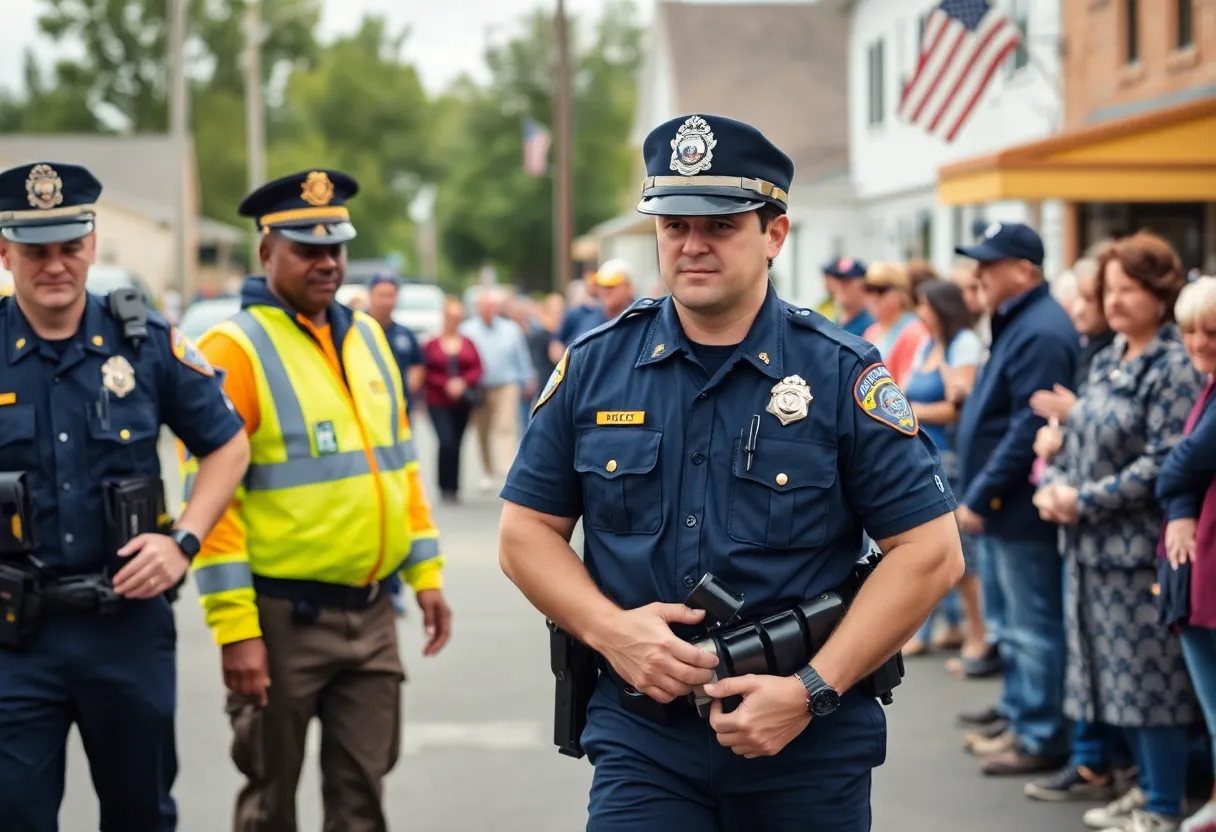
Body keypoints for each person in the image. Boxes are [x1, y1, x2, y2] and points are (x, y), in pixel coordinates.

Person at [497, 113, 964, 830]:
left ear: (774, 235)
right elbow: (524, 532)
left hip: (806, 745)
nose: (693, 245)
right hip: (644, 740)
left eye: (720, 225)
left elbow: (930, 552)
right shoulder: (596, 366)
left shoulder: (839, 372)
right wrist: (611, 631)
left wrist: (811, 689)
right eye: (675, 225)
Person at [182, 169, 453, 832]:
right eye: (307, 248)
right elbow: (213, 509)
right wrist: (236, 631)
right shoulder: (232, 350)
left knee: (362, 802)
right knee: (270, 804)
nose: (328, 262)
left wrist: (426, 575)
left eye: (336, 247)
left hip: (373, 612)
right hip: (281, 622)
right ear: (266, 252)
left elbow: (400, 468)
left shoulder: (368, 338)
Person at [0, 161, 250, 830]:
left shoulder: (144, 341)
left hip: (127, 629)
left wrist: (183, 542)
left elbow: (228, 445)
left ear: (91, 244)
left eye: (69, 246)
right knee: (14, 814)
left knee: (141, 814)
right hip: (15, 637)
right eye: (35, 251)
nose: (55, 265)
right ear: (5, 253)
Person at [1035, 232, 1200, 832]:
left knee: (1151, 685)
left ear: (1161, 293)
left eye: (1130, 288)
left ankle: (1163, 804)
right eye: (1109, 289)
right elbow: (1079, 441)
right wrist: (1055, 481)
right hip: (1088, 550)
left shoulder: (1174, 364)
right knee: (1112, 682)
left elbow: (1165, 461)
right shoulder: (1108, 358)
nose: (1115, 300)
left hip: (1138, 551)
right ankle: (1143, 788)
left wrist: (1083, 500)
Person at [952, 222, 1079, 776]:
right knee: (1013, 623)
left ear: (1025, 270)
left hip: (1022, 506)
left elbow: (1028, 427)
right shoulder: (1019, 321)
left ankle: (1039, 734)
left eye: (990, 263)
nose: (978, 273)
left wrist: (981, 495)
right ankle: (1020, 714)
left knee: (1032, 627)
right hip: (1008, 506)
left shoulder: (1040, 329)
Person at [1157, 276, 1216, 832]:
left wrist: (1174, 491)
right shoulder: (1207, 387)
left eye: (1212, 333)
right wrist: (1179, 506)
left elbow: (1182, 462)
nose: (1198, 343)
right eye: (1190, 331)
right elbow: (1185, 470)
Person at [902, 279, 984, 659]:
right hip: (920, 454)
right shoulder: (928, 344)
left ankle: (977, 633)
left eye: (925, 305)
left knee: (961, 551)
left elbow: (958, 405)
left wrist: (913, 411)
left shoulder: (962, 343)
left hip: (949, 457)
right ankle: (935, 626)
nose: (920, 313)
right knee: (924, 548)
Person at [422, 295, 484, 502]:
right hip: (438, 400)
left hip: (462, 401)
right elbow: (426, 370)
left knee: (457, 442)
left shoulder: (468, 343)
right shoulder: (431, 344)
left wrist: (463, 382)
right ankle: (444, 485)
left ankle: (454, 486)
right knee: (446, 440)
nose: (454, 321)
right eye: (451, 316)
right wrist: (445, 383)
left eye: (458, 317)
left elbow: (478, 367)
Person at [860, 261, 929, 387]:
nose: (873, 297)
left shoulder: (914, 331)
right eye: (868, 289)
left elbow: (906, 386)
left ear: (901, 293)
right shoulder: (871, 331)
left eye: (881, 290)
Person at [822, 257, 873, 338]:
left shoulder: (870, 327)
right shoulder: (833, 322)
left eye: (846, 282)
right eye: (837, 281)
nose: (840, 287)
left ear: (863, 286)